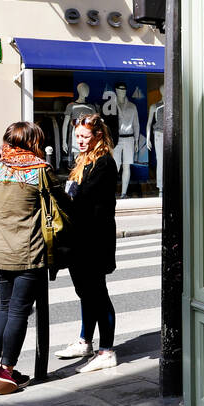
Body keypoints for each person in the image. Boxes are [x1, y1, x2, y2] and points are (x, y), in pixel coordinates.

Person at [0, 121, 54, 394]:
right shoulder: (40, 170)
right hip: (27, 254)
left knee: (4, 307)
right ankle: (8, 371)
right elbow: (59, 202)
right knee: (19, 312)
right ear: (33, 142)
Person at [56, 113, 118, 371]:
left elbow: (82, 200)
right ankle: (85, 340)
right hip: (80, 238)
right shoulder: (83, 160)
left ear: (98, 136)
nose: (80, 141)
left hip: (95, 239)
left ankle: (106, 350)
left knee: (97, 293)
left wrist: (62, 193)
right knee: (85, 292)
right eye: (77, 136)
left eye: (85, 136)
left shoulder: (103, 163)